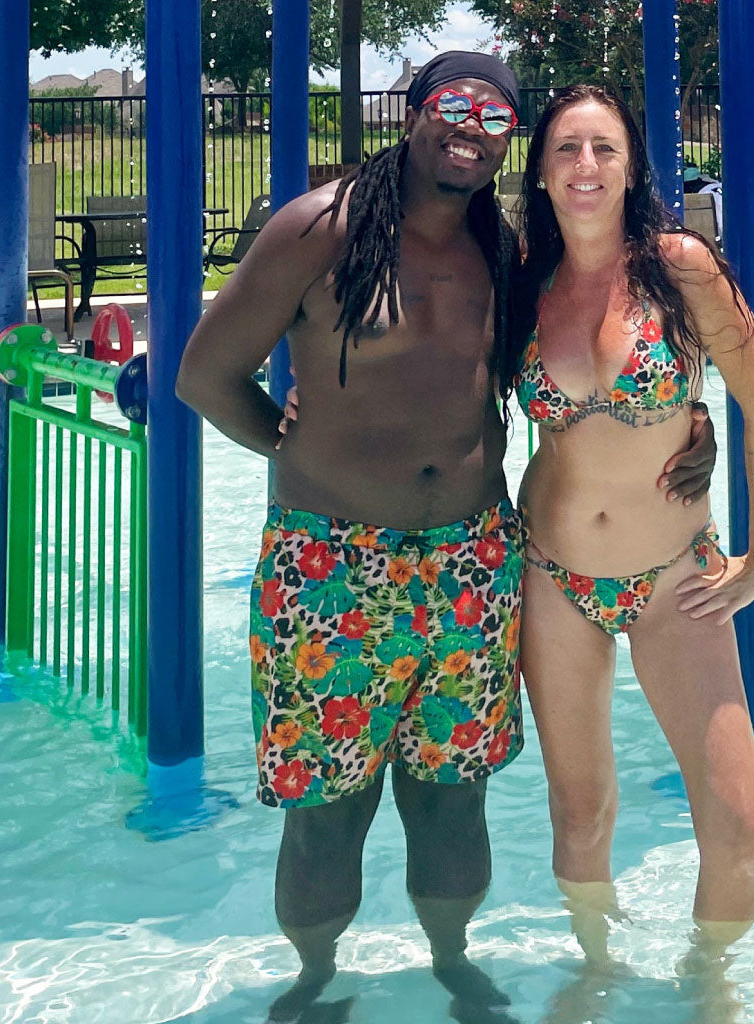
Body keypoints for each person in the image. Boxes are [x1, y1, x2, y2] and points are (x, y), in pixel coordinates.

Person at [177, 53, 714, 1020]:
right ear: (418, 112)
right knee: (328, 811)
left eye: (497, 114)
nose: (474, 125)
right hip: (330, 564)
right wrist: (285, 443)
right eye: (455, 105)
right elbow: (205, 375)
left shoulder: (497, 251)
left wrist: (694, 429)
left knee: (453, 792)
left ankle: (453, 963)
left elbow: (584, 369)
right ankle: (312, 982)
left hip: (472, 559)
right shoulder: (320, 228)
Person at [507, 85, 754, 968]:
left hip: (676, 574)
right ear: (542, 174)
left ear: (631, 170)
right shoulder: (524, 278)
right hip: (553, 574)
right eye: (565, 151)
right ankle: (595, 973)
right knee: (581, 814)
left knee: (737, 825)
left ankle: (710, 991)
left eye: (604, 150)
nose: (585, 167)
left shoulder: (679, 267)